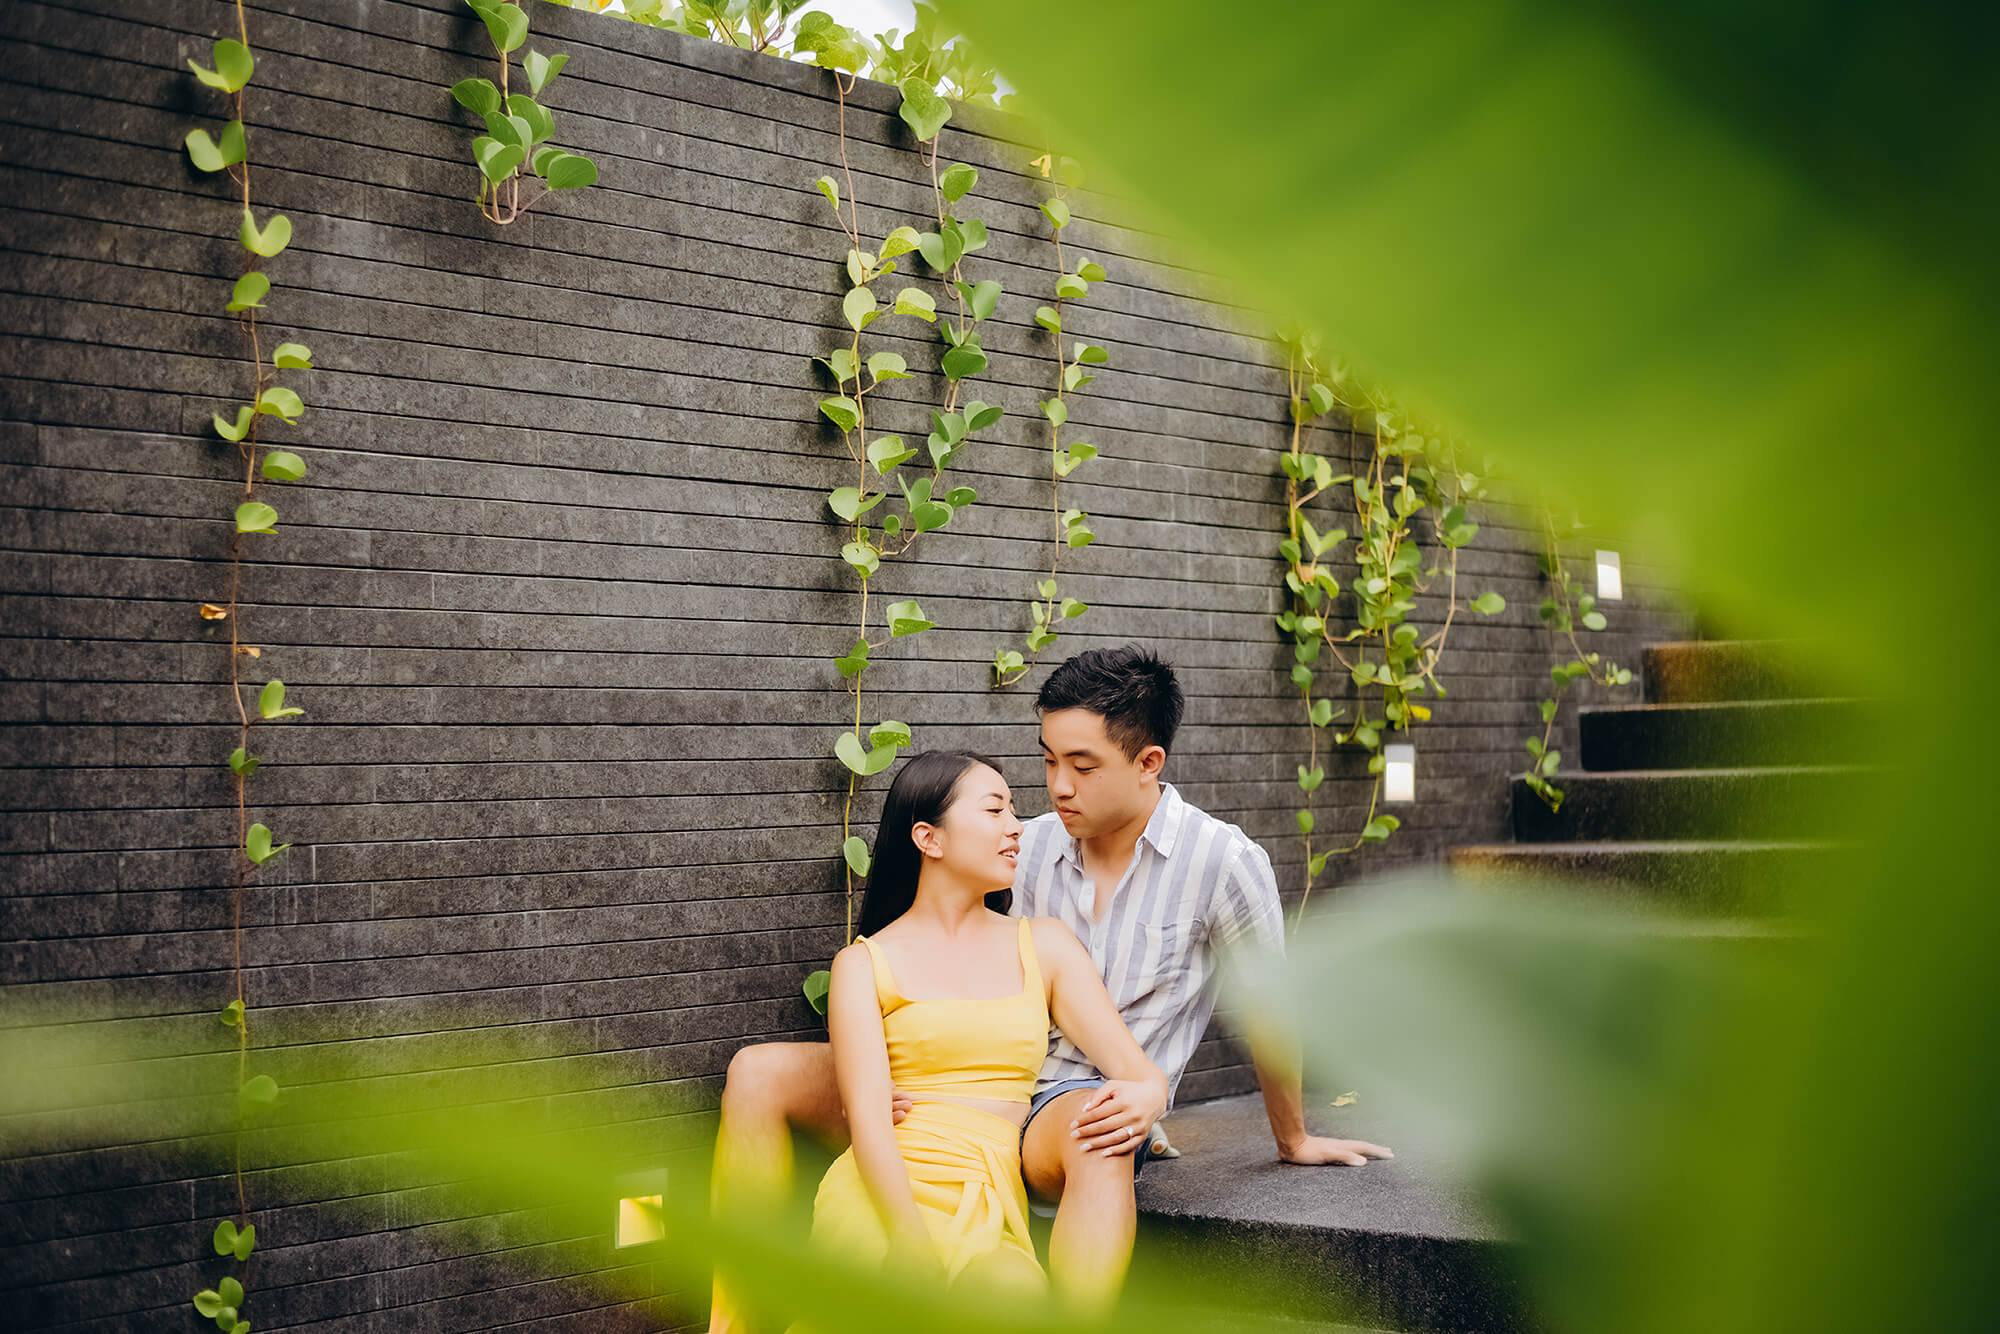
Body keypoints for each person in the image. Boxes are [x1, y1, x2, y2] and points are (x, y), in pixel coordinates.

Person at [710, 646, 1392, 1328]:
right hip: (949, 1068)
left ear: (1148, 763)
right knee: (759, 1072)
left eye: (1082, 766)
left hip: (1063, 1099)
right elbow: (923, 937)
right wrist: (880, 1063)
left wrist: (1291, 1136)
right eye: (1048, 761)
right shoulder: (1021, 844)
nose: (1057, 787)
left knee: (1103, 1126)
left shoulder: (1221, 863)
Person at [804, 748, 1165, 1298]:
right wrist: (909, 1240)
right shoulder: (862, 963)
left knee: (1017, 1297)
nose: (1016, 828)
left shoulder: (1043, 944)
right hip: (887, 1191)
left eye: (1014, 811)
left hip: (989, 1186)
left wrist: (1150, 1098)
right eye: (995, 811)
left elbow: (1139, 1074)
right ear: (930, 839)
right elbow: (871, 1123)